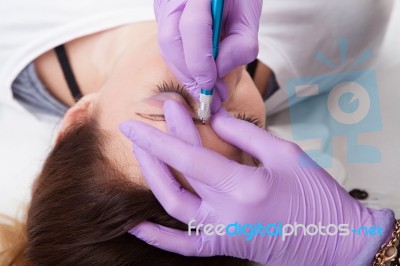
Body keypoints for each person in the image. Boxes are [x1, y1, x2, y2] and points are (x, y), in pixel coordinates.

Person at [0, 1, 265, 265]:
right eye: (247, 126)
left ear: (77, 120)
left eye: (173, 99)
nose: (224, 83)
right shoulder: (296, 49)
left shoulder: (10, 33)